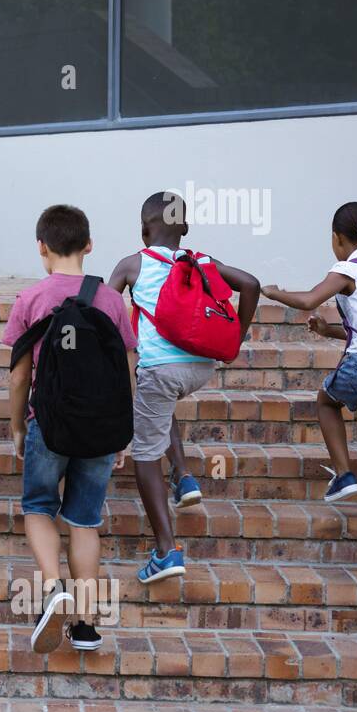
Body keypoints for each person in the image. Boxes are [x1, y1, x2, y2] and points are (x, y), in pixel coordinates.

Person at [3, 204, 138, 652]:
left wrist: (18, 425)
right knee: (84, 519)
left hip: (50, 422)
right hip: (102, 425)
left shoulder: (31, 299)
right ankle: (84, 624)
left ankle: (53, 585)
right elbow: (127, 367)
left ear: (41, 247)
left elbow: (20, 375)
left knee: (39, 506)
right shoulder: (112, 301)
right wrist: (125, 430)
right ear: (89, 246)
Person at [108, 192, 259, 585]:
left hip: (160, 370)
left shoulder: (132, 264)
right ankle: (184, 477)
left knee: (145, 453)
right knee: (160, 408)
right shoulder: (203, 261)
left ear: (143, 230)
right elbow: (252, 284)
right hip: (200, 368)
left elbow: (106, 311)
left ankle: (166, 551)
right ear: (185, 228)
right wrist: (236, 338)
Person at [262, 201, 357, 578]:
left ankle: (344, 474)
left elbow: (310, 299)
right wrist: (326, 330)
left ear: (336, 238)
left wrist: (275, 292)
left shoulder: (346, 268)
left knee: (326, 402)